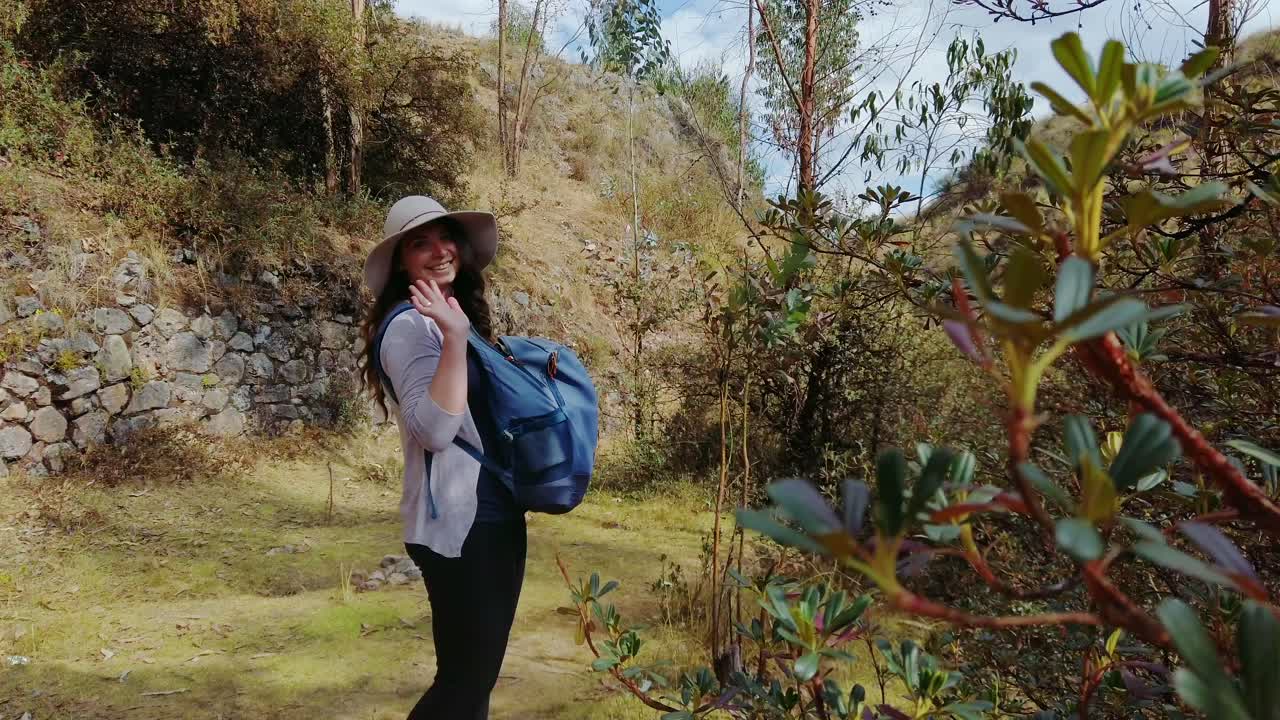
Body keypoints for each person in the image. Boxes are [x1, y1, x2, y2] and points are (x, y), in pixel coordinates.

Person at [359, 195, 526, 719]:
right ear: (401, 262)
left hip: (485, 515)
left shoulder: (448, 314)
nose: (439, 250)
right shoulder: (414, 325)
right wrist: (455, 342)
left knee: (469, 686)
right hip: (463, 525)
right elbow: (433, 429)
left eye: (445, 235)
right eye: (419, 242)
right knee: (463, 686)